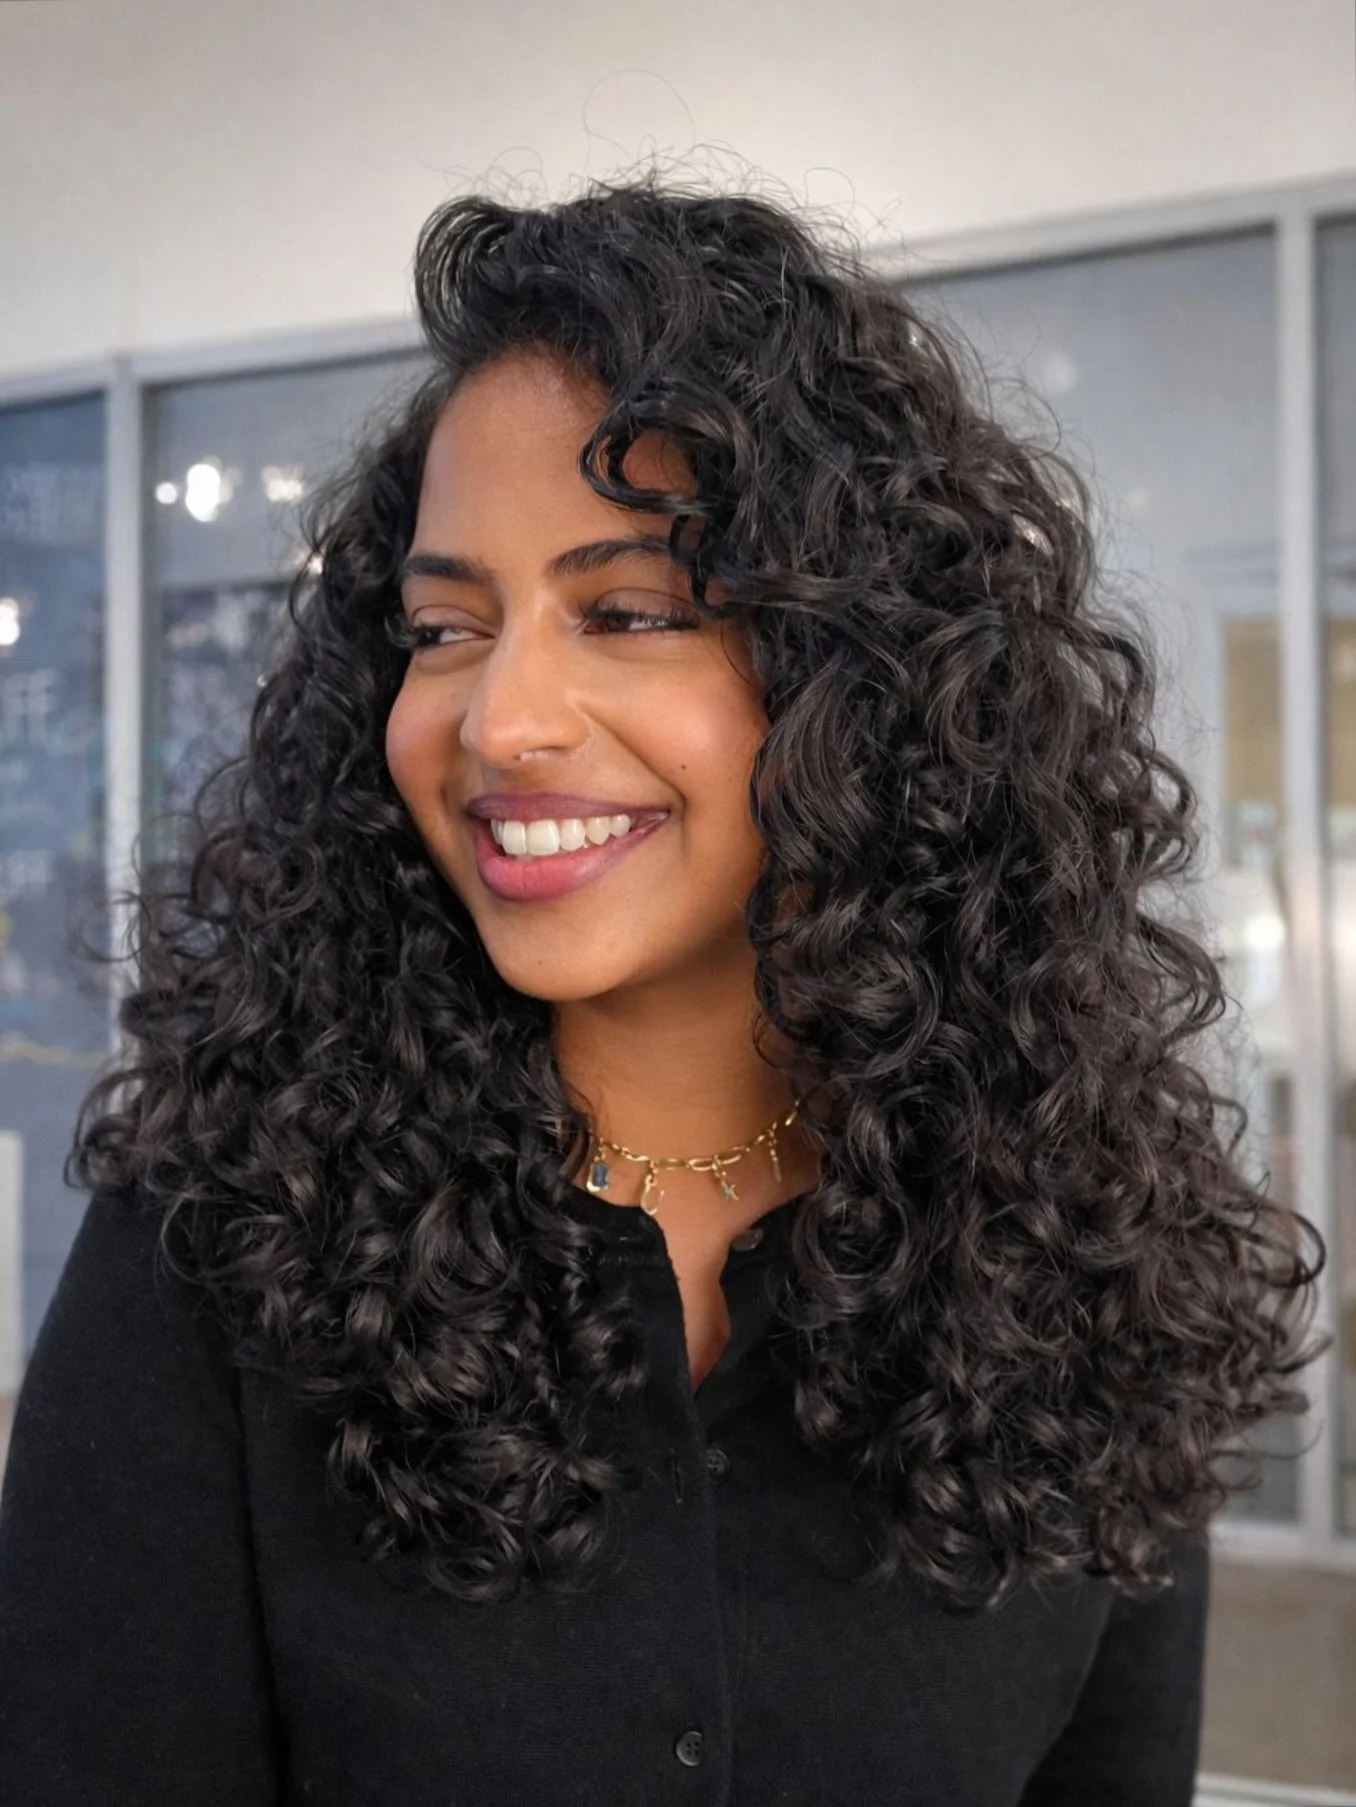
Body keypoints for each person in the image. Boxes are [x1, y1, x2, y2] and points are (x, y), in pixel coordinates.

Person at [0, 177, 1328, 1806]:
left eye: (627, 611)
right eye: (442, 626)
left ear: (866, 680)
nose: (501, 720)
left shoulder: (1079, 1247)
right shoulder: (213, 1249)